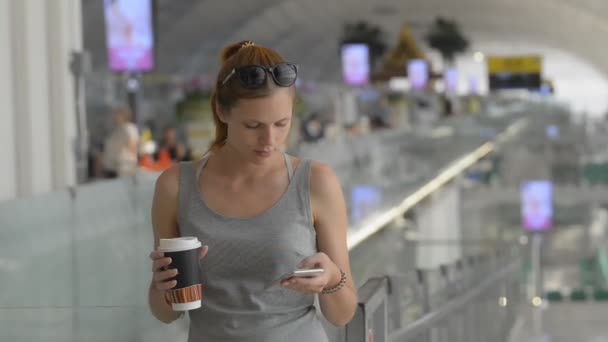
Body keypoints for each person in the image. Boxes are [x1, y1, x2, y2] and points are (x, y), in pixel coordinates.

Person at [148, 40, 357, 341]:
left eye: (281, 124)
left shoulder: (316, 182)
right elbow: (166, 313)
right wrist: (161, 286)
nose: (269, 140)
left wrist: (333, 279)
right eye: (253, 125)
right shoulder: (175, 186)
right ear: (222, 110)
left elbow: (342, 314)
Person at [101, 106, 139, 178]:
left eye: (117, 115)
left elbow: (132, 145)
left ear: (123, 116)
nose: (114, 117)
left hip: (123, 168)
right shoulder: (116, 130)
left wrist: (133, 163)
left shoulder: (129, 128)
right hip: (111, 168)